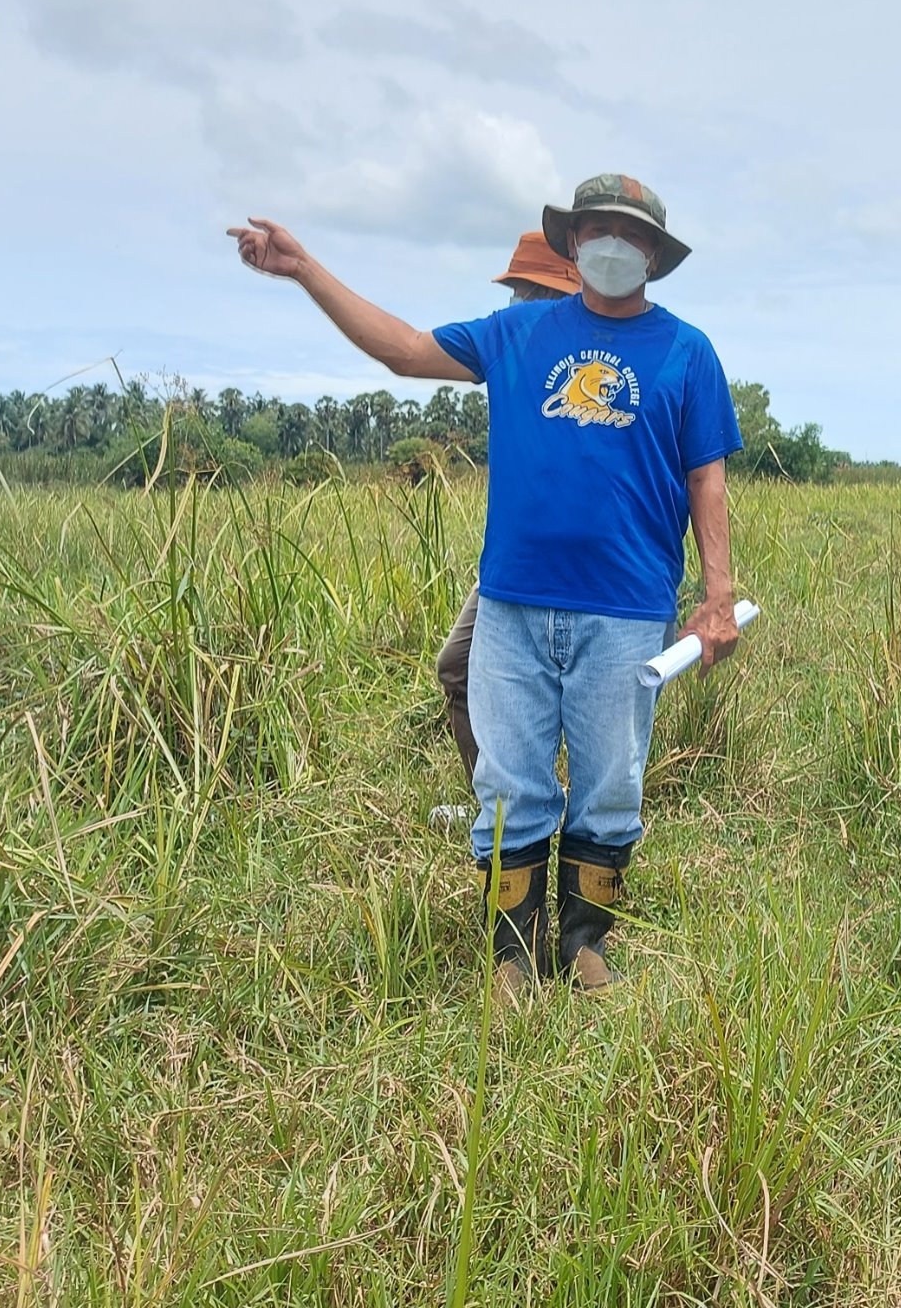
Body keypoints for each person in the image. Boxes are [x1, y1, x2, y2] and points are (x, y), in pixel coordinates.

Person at [229, 174, 743, 998]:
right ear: (572, 245)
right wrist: (306, 271)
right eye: (597, 229)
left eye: (631, 233)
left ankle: (584, 943)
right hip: (512, 603)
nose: (613, 244)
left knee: (612, 782)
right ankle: (512, 952)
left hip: (626, 608)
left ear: (654, 253)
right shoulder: (517, 333)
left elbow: (706, 478)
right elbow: (401, 350)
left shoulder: (687, 350)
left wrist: (717, 597)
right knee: (511, 782)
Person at [427, 232, 582, 842]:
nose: (513, 299)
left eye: (521, 288)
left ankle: (541, 816)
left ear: (545, 292)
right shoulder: (516, 352)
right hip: (518, 567)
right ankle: (499, 805)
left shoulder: (581, 357)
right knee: (458, 667)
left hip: (584, 572)